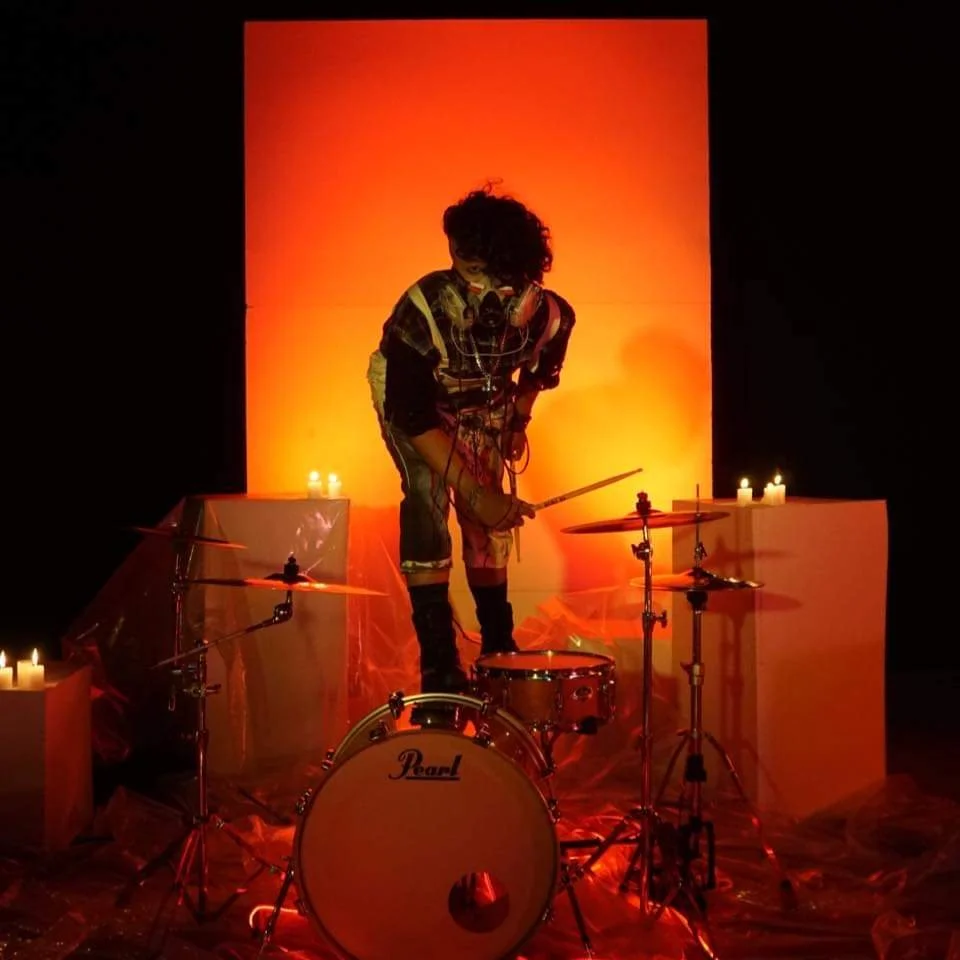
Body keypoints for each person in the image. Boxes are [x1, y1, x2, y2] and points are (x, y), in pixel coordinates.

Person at [367, 185, 576, 721]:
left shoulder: (548, 316)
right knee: (428, 493)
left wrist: (517, 420)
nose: (476, 289)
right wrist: (477, 492)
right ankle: (439, 663)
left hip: (485, 399)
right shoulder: (422, 309)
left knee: (488, 522)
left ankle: (497, 648)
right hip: (420, 402)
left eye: (490, 275)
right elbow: (412, 418)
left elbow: (541, 372)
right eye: (464, 267)